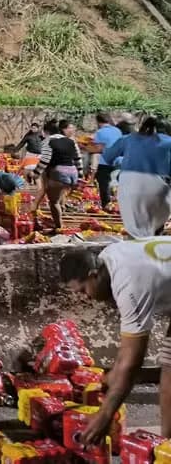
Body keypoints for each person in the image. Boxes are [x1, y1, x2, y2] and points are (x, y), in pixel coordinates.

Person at [60, 241, 171, 442]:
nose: (87, 298)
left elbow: (132, 363)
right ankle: (168, 445)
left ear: (94, 275)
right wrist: (113, 377)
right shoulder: (109, 256)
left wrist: (104, 415)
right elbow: (126, 353)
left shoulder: (130, 287)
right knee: (169, 363)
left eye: (84, 290)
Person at [102, 116, 171, 238]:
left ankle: (136, 250)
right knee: (156, 225)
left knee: (135, 230)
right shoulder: (168, 142)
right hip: (156, 185)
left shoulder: (129, 138)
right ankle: (154, 249)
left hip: (128, 184)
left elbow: (108, 156)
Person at [36, 119, 82, 232]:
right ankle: (61, 212)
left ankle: (58, 227)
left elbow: (45, 160)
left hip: (59, 173)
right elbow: (78, 159)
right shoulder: (71, 141)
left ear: (47, 132)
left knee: (53, 202)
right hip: (73, 173)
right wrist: (80, 174)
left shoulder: (47, 141)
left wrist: (35, 173)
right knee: (60, 194)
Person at [88, 113, 123, 211]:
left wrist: (86, 148)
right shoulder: (118, 130)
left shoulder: (100, 132)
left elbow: (98, 148)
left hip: (105, 161)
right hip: (118, 160)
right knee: (116, 183)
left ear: (98, 122)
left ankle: (107, 206)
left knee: (104, 184)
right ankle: (117, 205)